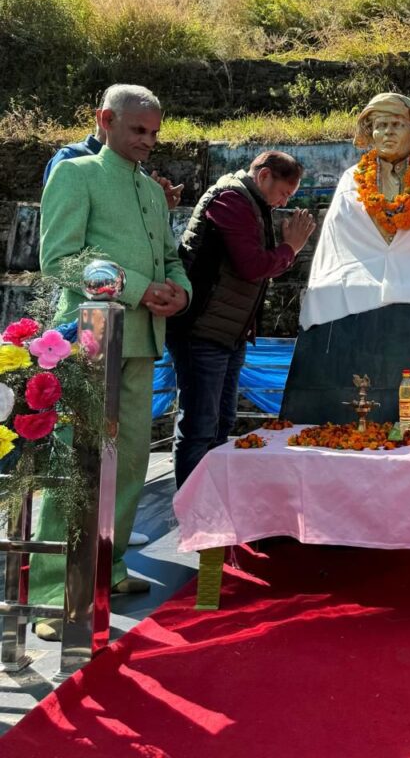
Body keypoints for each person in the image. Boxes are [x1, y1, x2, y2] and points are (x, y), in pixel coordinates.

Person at [31, 84, 192, 641]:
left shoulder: (151, 191)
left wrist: (180, 291)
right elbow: (60, 260)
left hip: (143, 339)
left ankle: (109, 567)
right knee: (78, 464)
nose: (148, 141)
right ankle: (56, 589)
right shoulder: (75, 175)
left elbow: (171, 255)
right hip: (88, 341)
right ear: (105, 120)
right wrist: (145, 289)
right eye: (138, 130)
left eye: (154, 132)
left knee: (125, 463)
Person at [280, 92, 410, 427]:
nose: (388, 133)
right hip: (357, 277)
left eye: (397, 124)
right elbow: (335, 239)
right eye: (380, 126)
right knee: (331, 290)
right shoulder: (352, 179)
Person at [167, 151, 315, 487]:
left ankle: (211, 501)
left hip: (228, 332)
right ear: (264, 177)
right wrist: (290, 247)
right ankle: (192, 510)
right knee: (200, 425)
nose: (282, 202)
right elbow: (252, 266)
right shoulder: (232, 199)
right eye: (284, 193)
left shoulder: (252, 204)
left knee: (221, 423)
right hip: (202, 328)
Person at [43, 97, 184, 210]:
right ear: (103, 119)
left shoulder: (137, 170)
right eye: (136, 128)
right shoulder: (70, 158)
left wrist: (156, 201)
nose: (147, 141)